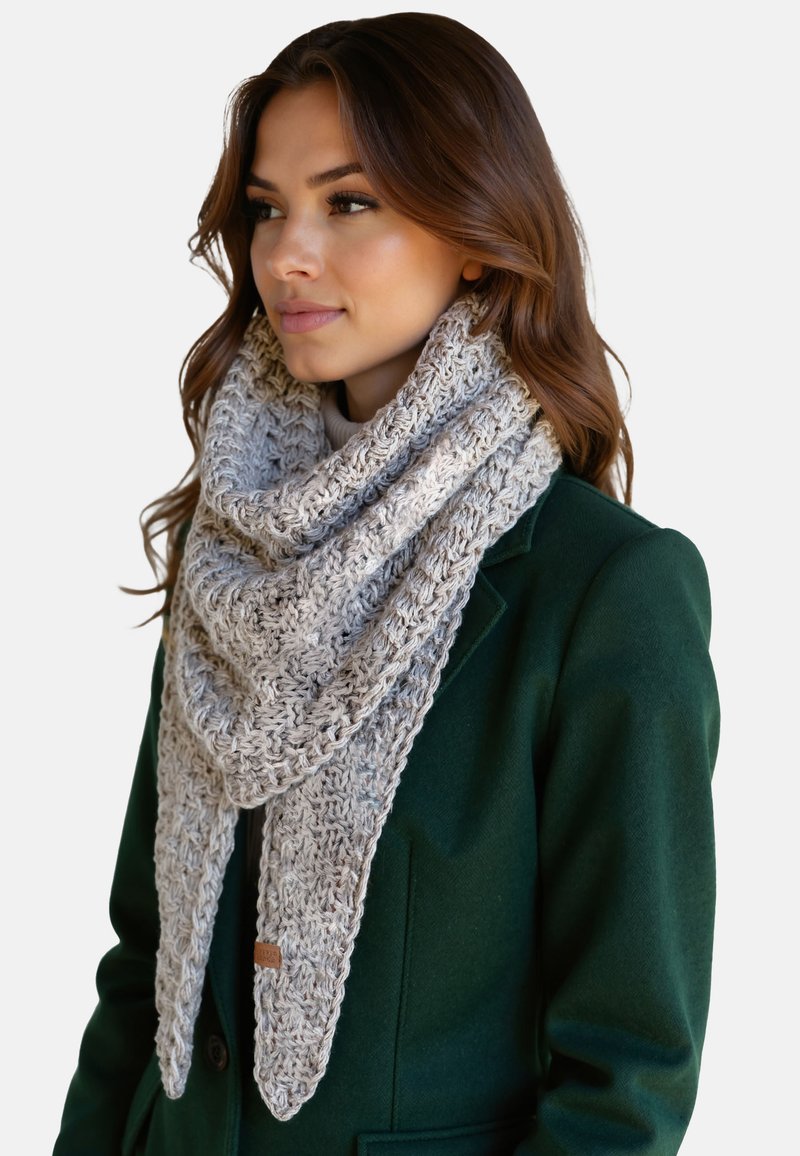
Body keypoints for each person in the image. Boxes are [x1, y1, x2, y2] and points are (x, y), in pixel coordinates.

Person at [54, 12, 719, 1156]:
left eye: (348, 202)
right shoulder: (233, 549)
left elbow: (626, 1078)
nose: (286, 254)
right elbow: (146, 962)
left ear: (477, 234)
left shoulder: (605, 589)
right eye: (267, 208)